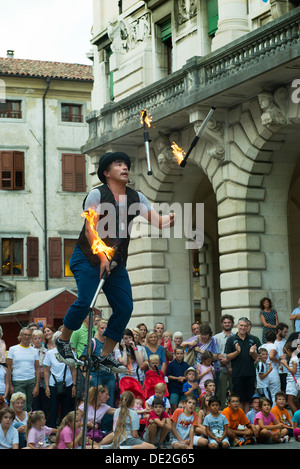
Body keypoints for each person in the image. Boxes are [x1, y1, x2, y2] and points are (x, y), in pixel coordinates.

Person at [55, 151, 175, 372]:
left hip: (115, 262)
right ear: (106, 172)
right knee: (87, 301)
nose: (125, 167)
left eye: (126, 164)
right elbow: (91, 230)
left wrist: (170, 219)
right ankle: (63, 340)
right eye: (118, 164)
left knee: (125, 306)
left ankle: (104, 356)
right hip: (87, 257)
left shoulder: (136, 198)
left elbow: (159, 222)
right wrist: (102, 256)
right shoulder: (96, 194)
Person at [224, 317, 260, 413]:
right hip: (237, 374)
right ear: (237, 326)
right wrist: (237, 352)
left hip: (250, 373)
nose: (243, 328)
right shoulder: (231, 339)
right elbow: (227, 357)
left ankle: (246, 420)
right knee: (239, 399)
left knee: (248, 399)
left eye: (245, 326)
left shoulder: (253, 339)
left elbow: (257, 358)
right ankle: (240, 421)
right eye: (241, 325)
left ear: (248, 327)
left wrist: (252, 353)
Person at [43, 332, 76, 428]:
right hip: (54, 384)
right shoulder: (50, 353)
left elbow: (73, 370)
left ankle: (66, 430)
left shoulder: (71, 353)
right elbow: (46, 371)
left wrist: (74, 385)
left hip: (68, 384)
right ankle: (52, 430)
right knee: (53, 409)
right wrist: (47, 387)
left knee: (67, 409)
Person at [6, 327, 40, 412]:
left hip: (31, 381)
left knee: (28, 407)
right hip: (18, 381)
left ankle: (27, 424)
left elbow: (37, 368)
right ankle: (20, 425)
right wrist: (10, 385)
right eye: (25, 334)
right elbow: (9, 368)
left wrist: (37, 386)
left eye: (29, 335)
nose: (27, 337)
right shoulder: (13, 349)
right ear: (20, 336)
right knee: (20, 406)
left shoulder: (34, 351)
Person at [214, 314, 234, 409]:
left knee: (234, 393)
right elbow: (217, 353)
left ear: (232, 324)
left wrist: (230, 366)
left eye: (229, 322)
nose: (227, 324)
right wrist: (226, 364)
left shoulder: (235, 337)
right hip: (221, 369)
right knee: (221, 393)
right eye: (225, 322)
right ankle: (221, 412)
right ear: (222, 324)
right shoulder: (216, 337)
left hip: (234, 370)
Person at [260, 330, 281, 405]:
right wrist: (279, 361)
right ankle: (274, 413)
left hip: (263, 373)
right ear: (275, 338)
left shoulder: (261, 346)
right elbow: (271, 356)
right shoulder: (274, 346)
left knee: (266, 396)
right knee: (275, 395)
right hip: (273, 372)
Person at [166, 346, 189, 413]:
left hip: (183, 388)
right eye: (178, 353)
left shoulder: (186, 365)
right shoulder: (171, 365)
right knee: (173, 403)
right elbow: (168, 376)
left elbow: (189, 375)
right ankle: (174, 416)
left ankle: (182, 417)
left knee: (183, 404)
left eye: (181, 353)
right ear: (175, 354)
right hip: (174, 387)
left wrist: (184, 378)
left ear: (183, 354)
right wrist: (177, 378)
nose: (179, 355)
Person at [280, 341, 300, 414]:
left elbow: (294, 371)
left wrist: (285, 365)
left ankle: (297, 419)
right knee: (295, 401)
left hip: (292, 382)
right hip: (294, 382)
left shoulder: (294, 358)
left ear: (289, 350)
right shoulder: (294, 358)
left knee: (290, 402)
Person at [31, 329, 47, 414]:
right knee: (35, 404)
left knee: (44, 405)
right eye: (35, 338)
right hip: (33, 380)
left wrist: (45, 372)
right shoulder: (30, 351)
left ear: (43, 339)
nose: (37, 340)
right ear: (32, 340)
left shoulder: (47, 352)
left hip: (44, 381)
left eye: (39, 338)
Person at [275, 322, 289, 392]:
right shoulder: (273, 342)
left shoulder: (286, 342)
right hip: (276, 371)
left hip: (285, 370)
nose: (286, 334)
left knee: (285, 390)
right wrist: (279, 358)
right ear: (279, 331)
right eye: (285, 332)